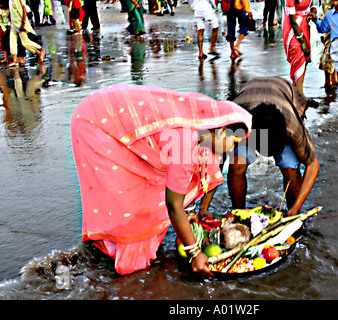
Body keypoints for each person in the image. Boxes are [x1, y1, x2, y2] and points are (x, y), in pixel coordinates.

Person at [70, 84, 252, 275]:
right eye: (234, 142)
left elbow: (200, 175)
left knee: (171, 176)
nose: (232, 149)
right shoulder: (183, 144)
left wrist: (193, 211)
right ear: (222, 130)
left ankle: (107, 246)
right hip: (97, 123)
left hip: (111, 109)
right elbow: (173, 205)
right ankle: (118, 247)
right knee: (128, 194)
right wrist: (195, 252)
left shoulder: (203, 120)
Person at [229, 76, 319, 217]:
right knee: (236, 163)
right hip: (248, 102)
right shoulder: (236, 119)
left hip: (284, 94)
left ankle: (292, 211)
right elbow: (214, 161)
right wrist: (204, 208)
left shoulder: (292, 127)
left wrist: (296, 208)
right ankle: (237, 211)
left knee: (289, 166)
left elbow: (313, 166)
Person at [282, 0, 311, 94]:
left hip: (304, 26)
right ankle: (299, 95)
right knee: (298, 60)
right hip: (292, 30)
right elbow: (292, 20)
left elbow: (311, 6)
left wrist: (313, 11)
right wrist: (302, 41)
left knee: (303, 62)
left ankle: (297, 94)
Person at [9, 0, 44, 67]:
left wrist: (23, 23)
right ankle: (15, 60)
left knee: (25, 42)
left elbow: (24, 9)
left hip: (20, 22)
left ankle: (40, 50)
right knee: (12, 42)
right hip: (14, 23)